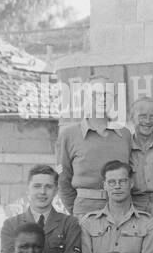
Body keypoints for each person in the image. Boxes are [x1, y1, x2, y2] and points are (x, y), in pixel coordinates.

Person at [78, 160, 153, 253]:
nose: (117, 186)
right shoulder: (89, 223)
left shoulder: (147, 223)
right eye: (111, 182)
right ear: (104, 185)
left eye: (122, 181)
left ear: (131, 183)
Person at [0, 164, 84, 253]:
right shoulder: (11, 226)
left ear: (56, 190)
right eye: (37, 186)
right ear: (28, 189)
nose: (42, 192)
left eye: (48, 187)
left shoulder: (69, 224)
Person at [56, 82, 133, 215]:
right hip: (85, 210)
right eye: (95, 94)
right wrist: (77, 211)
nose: (101, 99)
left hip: (121, 209)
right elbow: (63, 180)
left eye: (106, 94)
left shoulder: (125, 134)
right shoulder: (69, 135)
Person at [128, 96, 153, 213]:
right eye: (142, 116)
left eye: (152, 117)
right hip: (134, 207)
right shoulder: (124, 146)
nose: (148, 121)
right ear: (132, 118)